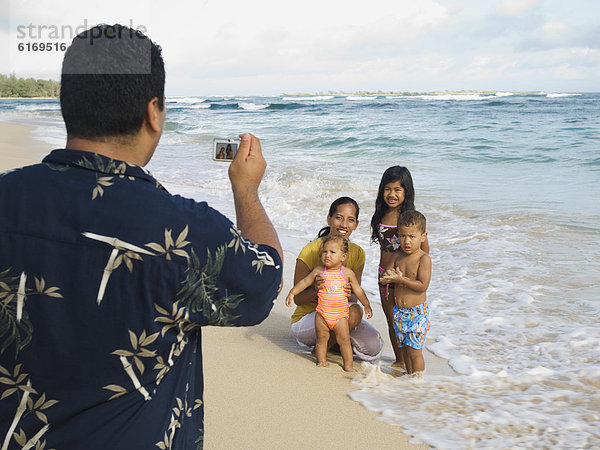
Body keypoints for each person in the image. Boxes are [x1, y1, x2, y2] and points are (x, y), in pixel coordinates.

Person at [0, 24, 282, 450]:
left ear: (65, 107)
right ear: (154, 111)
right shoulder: (186, 232)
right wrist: (246, 192)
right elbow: (263, 282)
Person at [290, 197, 384, 361]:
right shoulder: (310, 251)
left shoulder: (357, 253)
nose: (344, 225)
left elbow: (354, 297)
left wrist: (349, 293)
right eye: (339, 218)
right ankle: (322, 347)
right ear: (329, 219)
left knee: (373, 348)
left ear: (355, 224)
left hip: (338, 314)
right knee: (352, 314)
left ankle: (332, 342)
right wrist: (316, 290)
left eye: (350, 220)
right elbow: (298, 299)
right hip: (308, 319)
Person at [370, 166, 429, 366]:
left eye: (397, 189)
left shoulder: (410, 218)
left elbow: (424, 251)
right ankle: (399, 360)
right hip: (383, 276)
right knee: (392, 320)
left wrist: (414, 275)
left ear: (406, 191)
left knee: (407, 323)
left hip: (404, 280)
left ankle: (409, 359)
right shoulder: (381, 214)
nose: (392, 194)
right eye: (388, 189)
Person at [286, 235, 373, 371]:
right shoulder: (319, 271)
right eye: (325, 252)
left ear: (343, 257)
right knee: (322, 339)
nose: (327, 255)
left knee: (344, 341)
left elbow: (358, 290)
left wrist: (366, 304)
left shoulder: (347, 273)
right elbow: (304, 282)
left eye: (332, 252)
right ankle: (321, 362)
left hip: (340, 315)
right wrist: (292, 293)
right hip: (322, 313)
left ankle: (348, 366)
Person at [379, 210, 431, 374]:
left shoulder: (423, 259)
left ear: (423, 236)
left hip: (416, 313)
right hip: (400, 312)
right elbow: (387, 273)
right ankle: (409, 379)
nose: (406, 241)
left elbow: (422, 285)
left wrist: (400, 279)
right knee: (407, 350)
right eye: (402, 236)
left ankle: (418, 381)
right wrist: (387, 277)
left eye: (412, 237)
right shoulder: (397, 256)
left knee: (415, 352)